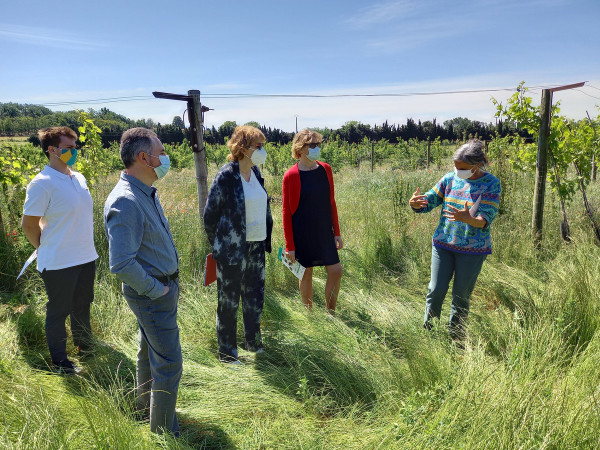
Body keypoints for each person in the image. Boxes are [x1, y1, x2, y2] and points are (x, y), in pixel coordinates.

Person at [104, 128, 181, 435]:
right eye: (160, 152)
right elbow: (121, 263)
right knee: (169, 364)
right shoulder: (127, 201)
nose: (165, 157)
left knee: (150, 353)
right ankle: (164, 432)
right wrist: (156, 289)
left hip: (159, 289)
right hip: (152, 294)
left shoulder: (145, 191)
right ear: (143, 157)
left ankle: (145, 408)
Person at [21, 126, 98, 375]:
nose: (75, 152)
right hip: (58, 262)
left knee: (82, 305)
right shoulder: (42, 184)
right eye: (69, 148)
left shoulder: (79, 178)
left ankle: (84, 348)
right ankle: (60, 361)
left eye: (75, 147)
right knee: (59, 310)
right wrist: (44, 247)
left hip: (86, 256)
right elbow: (29, 224)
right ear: (52, 150)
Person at [409, 139, 501, 340]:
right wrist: (416, 204)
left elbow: (486, 219)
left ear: (477, 166)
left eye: (463, 168)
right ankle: (429, 334)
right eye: (456, 166)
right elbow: (430, 200)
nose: (458, 170)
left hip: (472, 250)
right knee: (435, 290)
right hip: (443, 244)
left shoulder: (491, 184)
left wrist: (469, 219)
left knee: (461, 297)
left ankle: (456, 339)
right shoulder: (450, 178)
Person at [203, 125, 273, 364]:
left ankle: (253, 343)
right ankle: (227, 353)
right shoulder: (226, 175)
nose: (262, 150)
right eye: (259, 146)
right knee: (228, 302)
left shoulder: (256, 174)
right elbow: (210, 215)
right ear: (243, 148)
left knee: (255, 297)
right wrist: (221, 245)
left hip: (256, 247)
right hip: (232, 251)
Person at [282, 129, 343, 312]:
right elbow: (286, 212)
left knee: (336, 271)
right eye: (312, 145)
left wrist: (337, 232)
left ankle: (330, 312)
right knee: (306, 273)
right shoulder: (291, 175)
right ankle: (309, 315)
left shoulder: (326, 169)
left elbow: (331, 202)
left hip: (324, 231)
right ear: (300, 149)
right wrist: (289, 246)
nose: (316, 148)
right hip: (302, 233)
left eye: (318, 145)